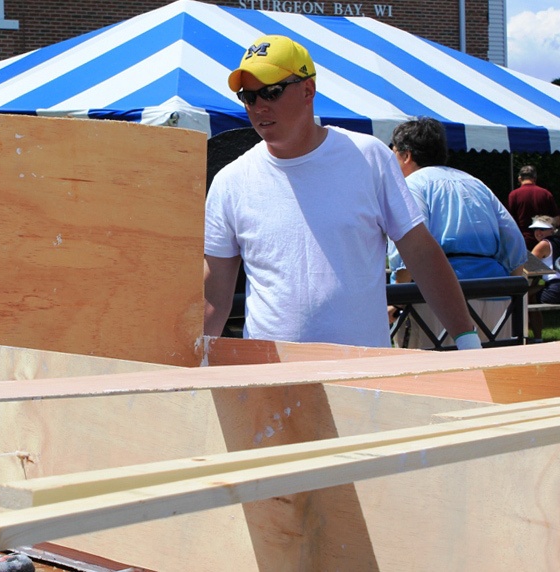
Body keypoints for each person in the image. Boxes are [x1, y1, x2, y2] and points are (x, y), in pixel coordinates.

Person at [204, 35, 481, 350]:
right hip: (269, 381)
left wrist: (468, 340)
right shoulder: (230, 181)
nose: (259, 106)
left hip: (361, 379)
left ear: (308, 90)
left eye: (272, 91)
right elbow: (213, 298)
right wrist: (182, 368)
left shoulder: (369, 157)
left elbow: (421, 253)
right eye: (248, 97)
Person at [387, 117, 527, 348]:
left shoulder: (412, 185)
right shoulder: (476, 183)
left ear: (406, 155)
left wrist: (400, 300)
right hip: (497, 297)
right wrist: (509, 289)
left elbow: (409, 243)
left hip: (436, 301)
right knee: (493, 377)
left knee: (436, 379)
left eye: (392, 153)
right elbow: (514, 241)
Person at [507, 165, 558, 251]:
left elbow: (509, 219)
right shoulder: (546, 193)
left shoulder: (514, 195)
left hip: (524, 240)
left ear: (520, 179)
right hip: (544, 239)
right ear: (535, 178)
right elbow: (557, 218)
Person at [527, 215, 560, 342]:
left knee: (523, 297)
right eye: (535, 229)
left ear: (552, 230)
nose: (538, 232)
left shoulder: (543, 244)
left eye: (542, 229)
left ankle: (535, 338)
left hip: (555, 289)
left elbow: (527, 267)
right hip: (555, 286)